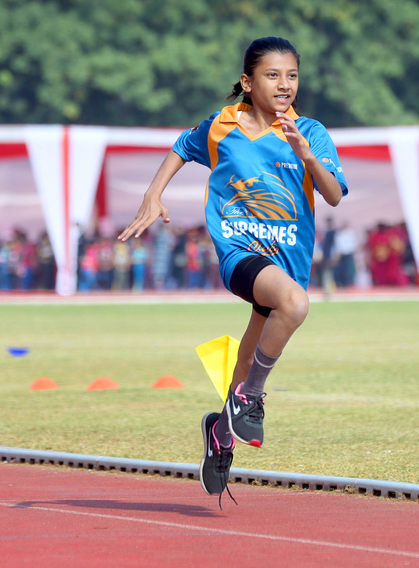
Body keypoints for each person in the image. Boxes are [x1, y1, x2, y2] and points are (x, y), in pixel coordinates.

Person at [119, 37, 347, 506]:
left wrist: (306, 154)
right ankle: (252, 398)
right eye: (272, 75)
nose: (284, 84)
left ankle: (221, 431)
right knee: (296, 305)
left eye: (292, 75)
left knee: (255, 343)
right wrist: (152, 194)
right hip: (240, 251)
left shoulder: (312, 132)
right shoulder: (222, 126)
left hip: (289, 258)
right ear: (247, 81)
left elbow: (334, 195)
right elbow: (181, 146)